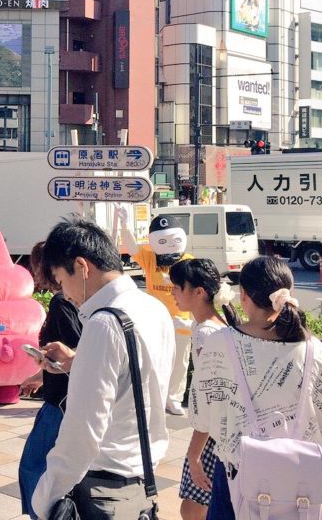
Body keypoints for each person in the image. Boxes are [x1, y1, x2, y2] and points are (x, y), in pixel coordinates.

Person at [31, 218, 174, 520]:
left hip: (102, 487)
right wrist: (75, 364)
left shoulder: (104, 323)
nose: (64, 292)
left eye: (61, 280)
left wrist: (45, 497)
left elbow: (82, 432)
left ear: (82, 267)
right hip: (141, 482)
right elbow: (142, 385)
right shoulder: (153, 308)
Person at [188, 256, 322, 520]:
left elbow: (200, 416)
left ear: (244, 296)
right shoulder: (311, 348)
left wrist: (195, 454)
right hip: (297, 483)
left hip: (235, 475)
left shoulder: (220, 344)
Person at [18, 241, 83, 519]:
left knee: (35, 466)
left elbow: (75, 349)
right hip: (64, 396)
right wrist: (40, 374)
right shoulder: (74, 301)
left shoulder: (60, 302)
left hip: (60, 403)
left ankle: (43, 514)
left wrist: (47, 367)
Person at [168, 258, 237, 520]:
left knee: (193, 509)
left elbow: (213, 398)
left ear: (199, 292)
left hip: (213, 435)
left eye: (177, 287)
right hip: (221, 432)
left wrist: (194, 453)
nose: (172, 292)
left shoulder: (207, 332)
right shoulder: (213, 325)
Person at [119, 208, 195, 415]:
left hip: (181, 320)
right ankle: (155, 397)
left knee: (180, 360)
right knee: (154, 359)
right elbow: (133, 248)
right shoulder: (150, 258)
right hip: (154, 321)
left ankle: (174, 398)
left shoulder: (187, 259)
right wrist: (125, 226)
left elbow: (196, 287)